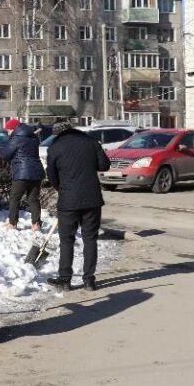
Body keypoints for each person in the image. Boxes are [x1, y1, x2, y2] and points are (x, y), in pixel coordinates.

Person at [45, 121, 111, 291]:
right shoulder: (91, 142)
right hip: (92, 199)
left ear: (57, 134)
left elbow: (51, 176)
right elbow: (104, 165)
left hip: (68, 200)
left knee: (66, 240)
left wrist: (62, 189)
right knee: (90, 239)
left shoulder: (55, 147)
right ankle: (89, 280)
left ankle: (65, 279)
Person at [0, 118, 45, 231]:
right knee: (33, 199)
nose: (8, 133)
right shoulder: (33, 137)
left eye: (8, 130)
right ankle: (36, 224)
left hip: (22, 173)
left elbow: (5, 155)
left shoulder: (16, 139)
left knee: (15, 198)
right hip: (37, 172)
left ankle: (12, 223)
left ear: (13, 129)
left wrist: (2, 150)